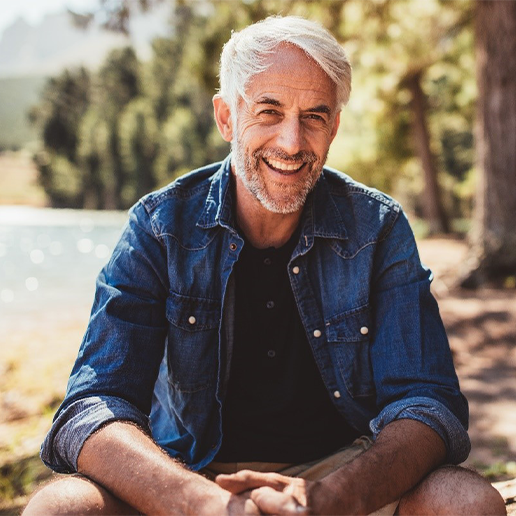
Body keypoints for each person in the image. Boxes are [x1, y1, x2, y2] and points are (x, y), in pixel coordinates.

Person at [24, 15, 505, 516]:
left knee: (464, 501)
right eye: (269, 111)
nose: (292, 142)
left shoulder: (378, 228)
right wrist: (205, 504)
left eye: (314, 116)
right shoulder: (159, 227)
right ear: (226, 117)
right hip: (188, 475)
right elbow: (93, 406)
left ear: (334, 126)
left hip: (345, 475)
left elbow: (427, 404)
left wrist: (327, 499)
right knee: (62, 507)